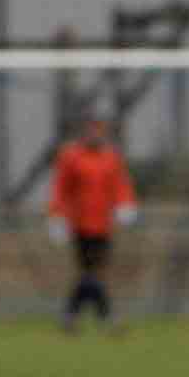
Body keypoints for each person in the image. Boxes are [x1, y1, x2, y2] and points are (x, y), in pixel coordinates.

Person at [48, 115, 136, 332]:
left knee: (91, 274)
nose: (94, 135)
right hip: (80, 223)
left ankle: (71, 315)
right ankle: (106, 317)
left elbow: (120, 185)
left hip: (103, 224)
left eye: (98, 131)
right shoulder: (71, 157)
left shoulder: (110, 158)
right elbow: (60, 188)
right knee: (93, 272)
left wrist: (125, 205)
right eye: (90, 131)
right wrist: (57, 216)